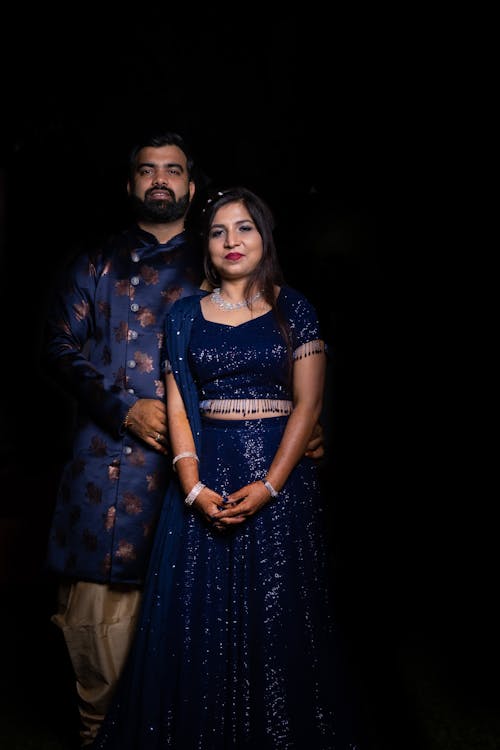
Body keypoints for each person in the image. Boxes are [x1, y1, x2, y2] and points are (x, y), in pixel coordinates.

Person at [43, 135, 325, 748]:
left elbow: (288, 373)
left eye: (173, 170)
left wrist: (286, 430)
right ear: (131, 184)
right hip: (115, 484)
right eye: (147, 170)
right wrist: (125, 410)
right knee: (102, 651)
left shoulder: (240, 271)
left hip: (219, 478)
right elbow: (58, 348)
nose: (160, 180)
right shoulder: (96, 261)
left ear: (192, 186)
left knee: (232, 638)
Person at [92, 186, 358, 749]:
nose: (232, 241)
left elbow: (308, 407)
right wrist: (192, 488)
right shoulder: (184, 315)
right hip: (205, 476)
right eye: (218, 231)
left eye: (245, 228)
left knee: (280, 617)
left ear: (265, 237)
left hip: (280, 482)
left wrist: (269, 485)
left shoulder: (295, 308)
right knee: (199, 622)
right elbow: (179, 408)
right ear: (207, 247)